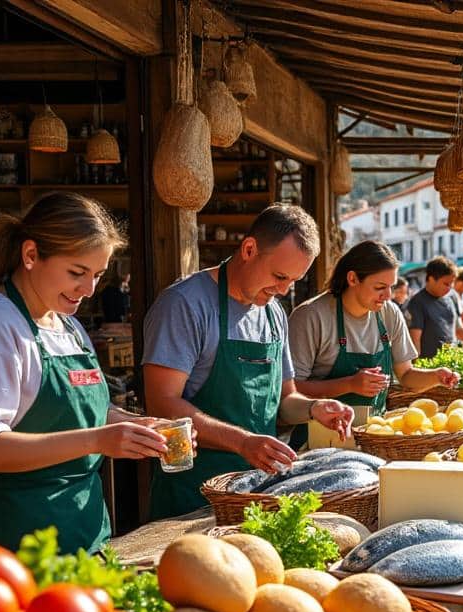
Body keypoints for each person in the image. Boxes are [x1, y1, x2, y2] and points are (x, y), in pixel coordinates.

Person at [0, 192, 168, 553]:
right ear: (31, 255)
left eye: (97, 275)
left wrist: (132, 425)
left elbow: (85, 414)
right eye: (77, 273)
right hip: (21, 545)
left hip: (85, 532)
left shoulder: (67, 326)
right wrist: (98, 439)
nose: (89, 290)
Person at [143, 204, 354, 519]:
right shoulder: (185, 304)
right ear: (250, 249)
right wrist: (242, 442)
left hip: (259, 492)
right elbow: (161, 404)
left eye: (292, 282)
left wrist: (313, 408)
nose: (283, 290)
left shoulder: (274, 314)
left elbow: (285, 400)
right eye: (279, 276)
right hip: (193, 496)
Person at [289, 242, 459, 445]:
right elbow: (291, 390)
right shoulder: (311, 316)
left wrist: (436, 376)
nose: (388, 296)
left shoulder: (389, 313)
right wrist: (349, 384)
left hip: (374, 439)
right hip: (318, 442)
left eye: (391, 287)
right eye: (380, 287)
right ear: (352, 278)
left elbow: (405, 375)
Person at [405, 257, 463, 358]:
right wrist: (418, 367)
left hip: (453, 360)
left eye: (451, 283)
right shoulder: (417, 303)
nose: (449, 288)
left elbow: (457, 329)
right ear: (431, 279)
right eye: (446, 284)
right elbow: (414, 341)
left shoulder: (452, 296)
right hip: (432, 366)